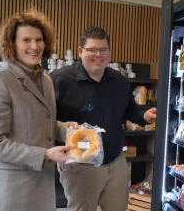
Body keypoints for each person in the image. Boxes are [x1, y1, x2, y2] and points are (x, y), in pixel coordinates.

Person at [0, 8, 79, 211]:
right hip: (12, 192)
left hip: (41, 186)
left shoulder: (46, 79)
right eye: (26, 40)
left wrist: (68, 129)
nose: (34, 46)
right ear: (12, 44)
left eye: (39, 39)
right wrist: (45, 154)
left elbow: (45, 124)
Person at [50, 26, 157, 211]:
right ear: (80, 51)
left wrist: (144, 116)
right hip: (80, 165)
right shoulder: (60, 81)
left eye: (104, 49)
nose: (99, 55)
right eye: (92, 49)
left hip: (116, 162)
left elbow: (130, 109)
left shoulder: (119, 80)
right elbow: (47, 121)